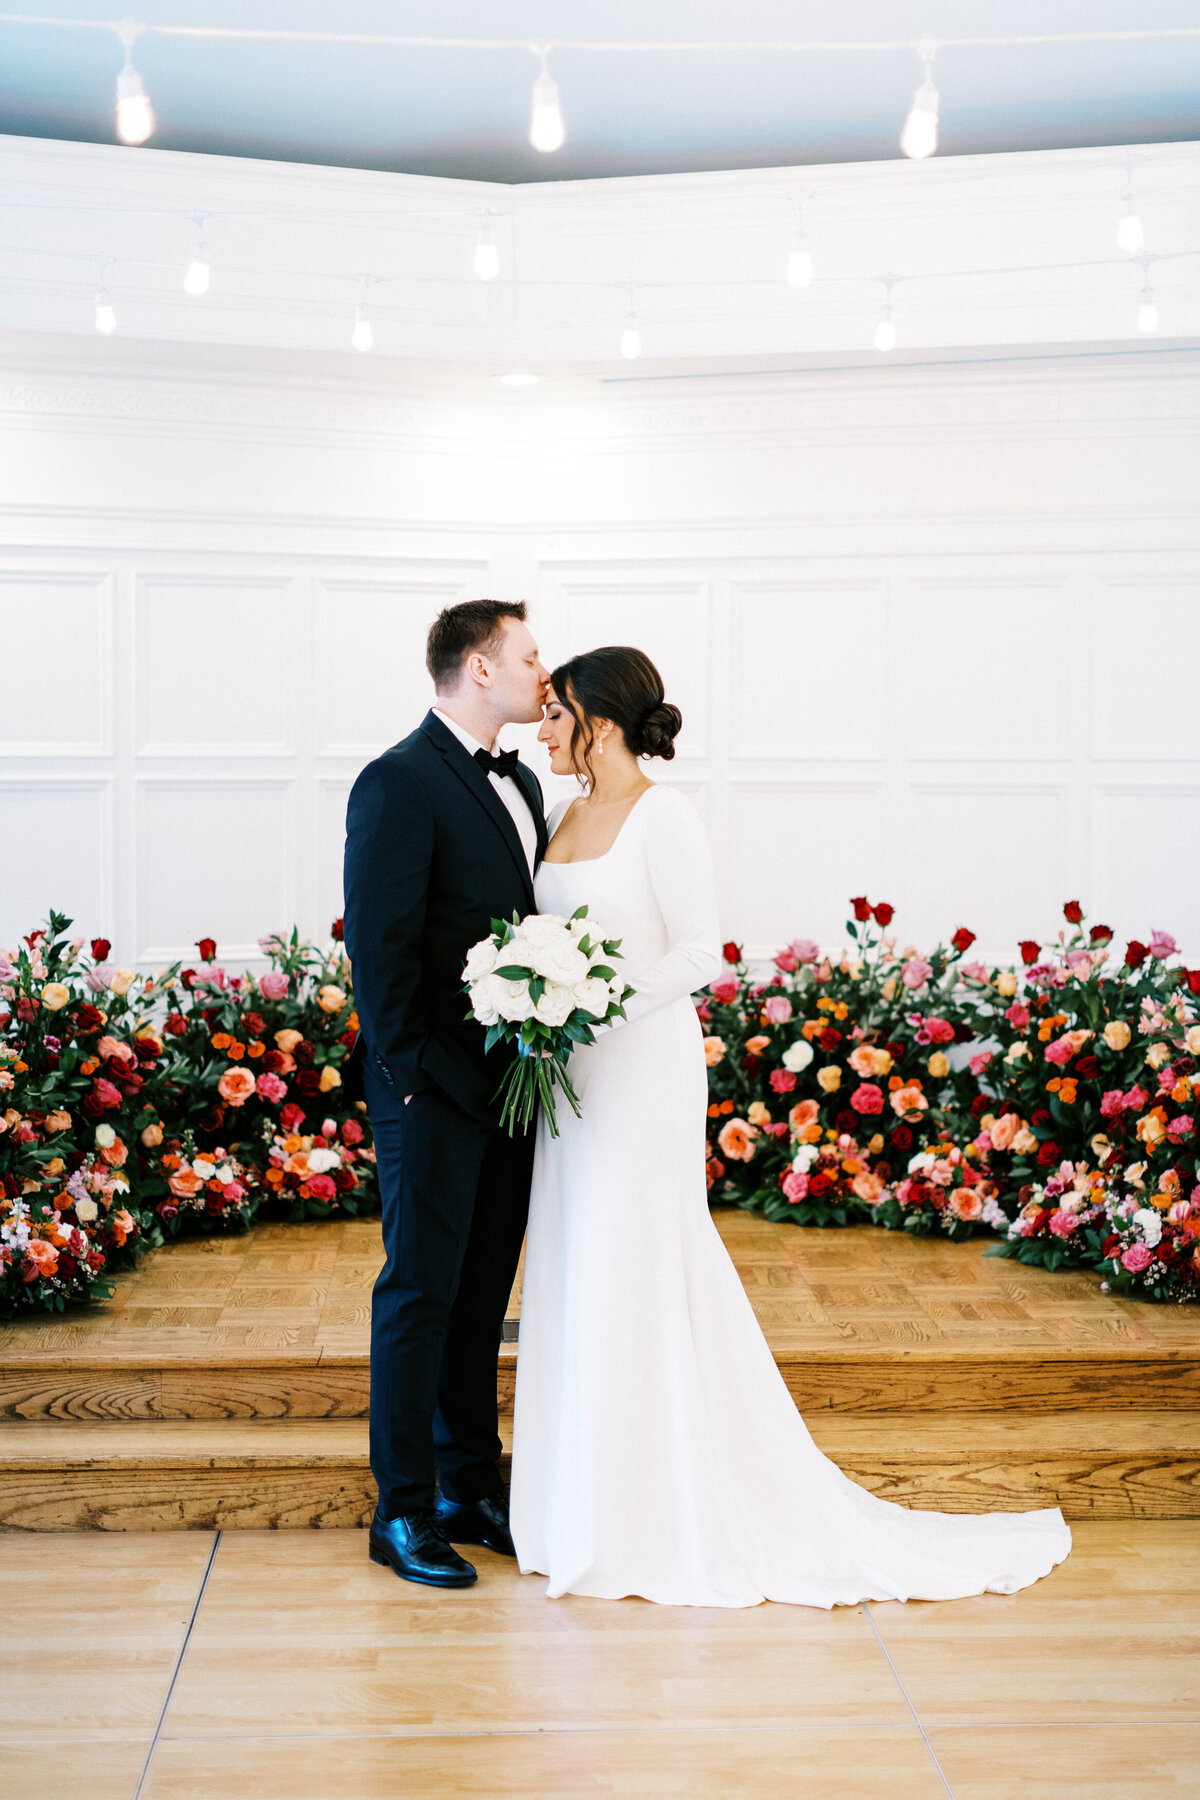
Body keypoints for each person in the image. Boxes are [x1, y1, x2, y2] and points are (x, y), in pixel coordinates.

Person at [510, 644, 1071, 1607]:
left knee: (633, 1254)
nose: (542, 727)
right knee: (575, 1256)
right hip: (572, 1076)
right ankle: (584, 1506)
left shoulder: (664, 815)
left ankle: (662, 1509)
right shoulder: (560, 814)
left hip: (639, 1066)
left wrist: (590, 1001)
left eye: (556, 711)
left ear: (599, 722)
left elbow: (700, 954)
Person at [343, 598, 549, 1587]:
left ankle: (472, 1484)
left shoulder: (523, 785)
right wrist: (415, 1084)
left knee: (479, 1302)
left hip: (509, 1092)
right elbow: (379, 951)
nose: (542, 675)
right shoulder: (397, 781)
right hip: (431, 1093)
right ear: (479, 668)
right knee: (420, 1296)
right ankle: (404, 1509)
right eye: (529, 656)